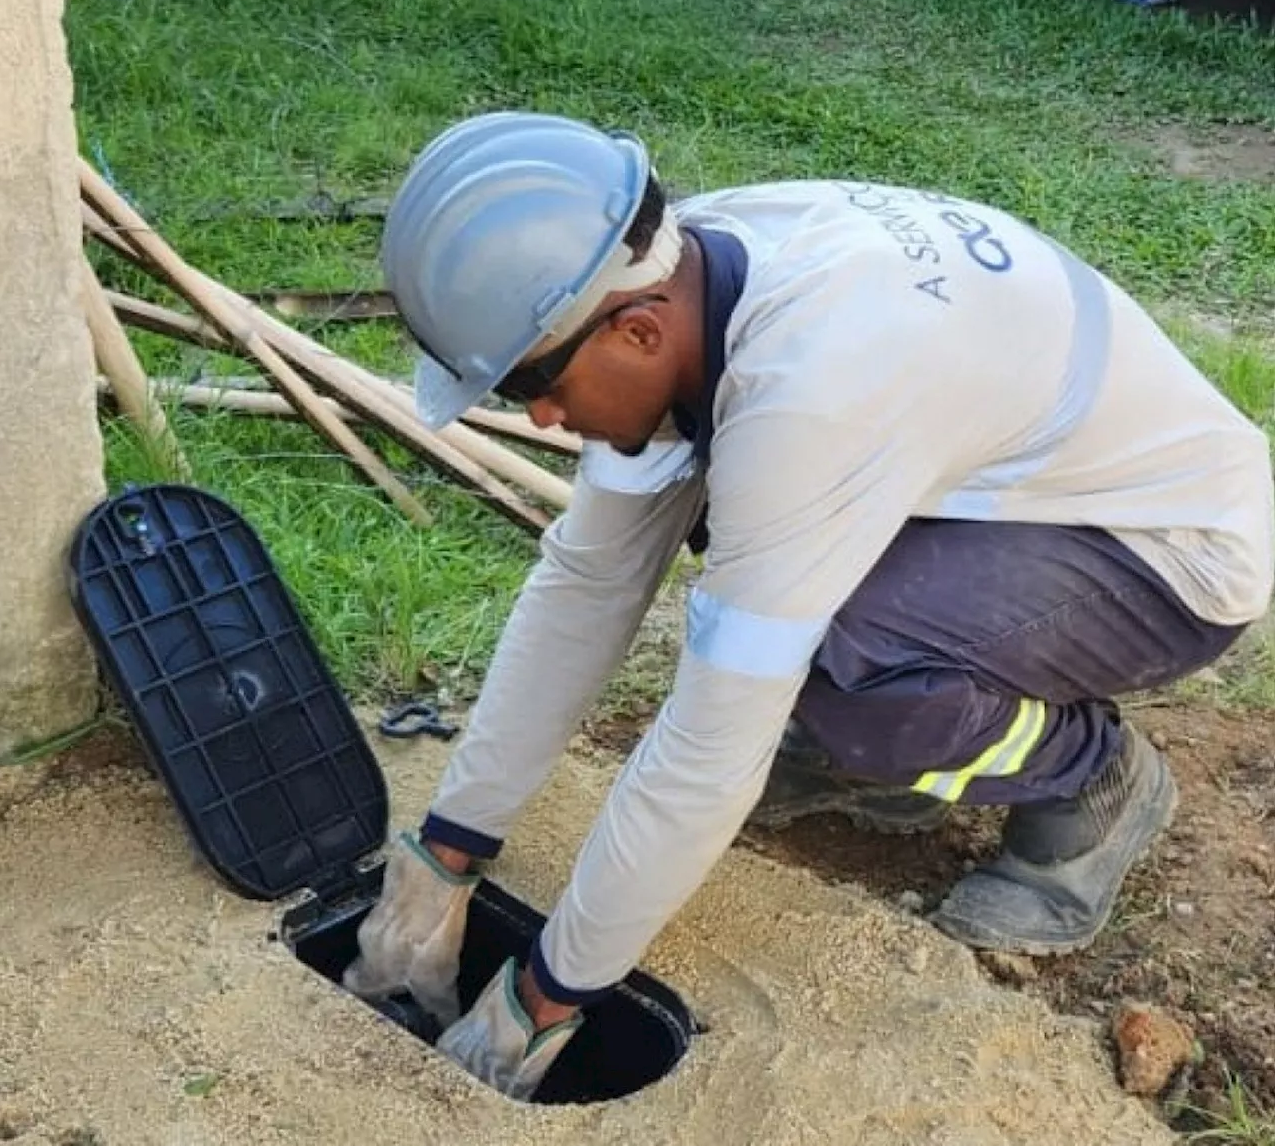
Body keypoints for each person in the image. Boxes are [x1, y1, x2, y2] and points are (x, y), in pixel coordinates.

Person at [344, 112, 1274, 1100]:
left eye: (532, 383)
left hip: (1161, 556)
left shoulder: (810, 388)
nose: (536, 416)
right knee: (774, 583)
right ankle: (896, 747)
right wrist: (443, 854)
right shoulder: (664, 271)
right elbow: (586, 583)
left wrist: (544, 999)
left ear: (637, 329)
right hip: (994, 497)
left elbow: (707, 753)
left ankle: (1086, 779)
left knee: (847, 665)